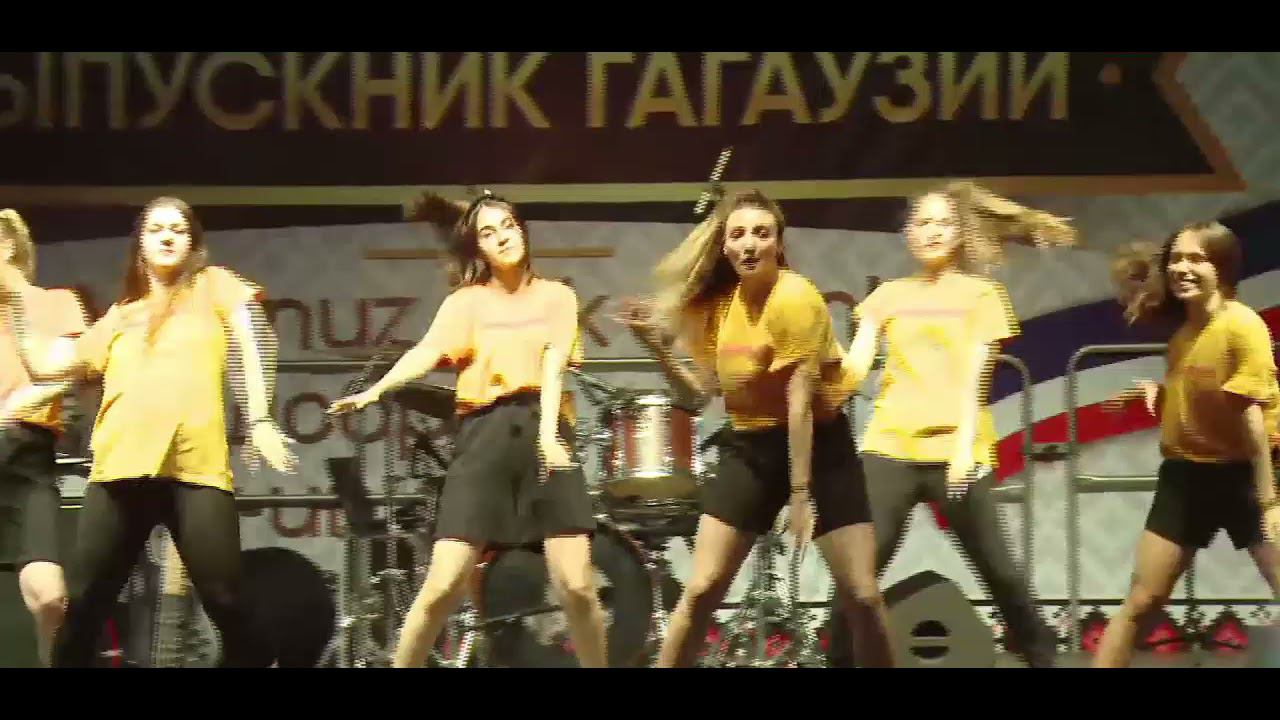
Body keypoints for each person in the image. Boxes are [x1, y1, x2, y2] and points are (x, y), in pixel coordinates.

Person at [2, 196, 295, 667]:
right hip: (118, 472)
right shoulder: (122, 314)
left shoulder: (214, 286)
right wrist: (15, 298)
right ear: (140, 244)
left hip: (194, 470)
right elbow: (48, 366)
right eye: (156, 229)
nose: (167, 236)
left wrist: (259, 417)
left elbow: (251, 338)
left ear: (193, 242)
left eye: (178, 229)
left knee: (225, 597)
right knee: (84, 606)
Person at [328, 191, 608, 668]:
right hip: (484, 436)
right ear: (477, 247)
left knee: (577, 587)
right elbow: (426, 350)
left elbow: (554, 364)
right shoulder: (466, 302)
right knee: (441, 587)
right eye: (488, 233)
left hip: (544, 428)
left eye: (508, 226)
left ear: (522, 229)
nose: (502, 238)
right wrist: (376, 389)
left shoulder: (557, 296)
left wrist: (547, 435)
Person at [619, 189, 895, 668]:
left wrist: (801, 493)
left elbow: (800, 398)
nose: (749, 244)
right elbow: (699, 394)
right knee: (701, 588)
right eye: (739, 234)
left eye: (762, 234)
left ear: (778, 244)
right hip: (750, 447)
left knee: (863, 595)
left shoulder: (796, 297)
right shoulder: (716, 308)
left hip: (818, 446)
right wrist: (656, 348)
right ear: (725, 246)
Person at [830, 181, 1073, 668]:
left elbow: (977, 381)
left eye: (944, 223)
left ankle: (1043, 657)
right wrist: (817, 355)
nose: (933, 232)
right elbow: (853, 370)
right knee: (857, 576)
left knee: (1000, 571)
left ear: (960, 233)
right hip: (890, 446)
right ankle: (838, 662)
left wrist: (964, 447)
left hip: (957, 449)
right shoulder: (888, 296)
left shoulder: (981, 294)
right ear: (908, 234)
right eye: (923, 223)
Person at [1093, 221, 1280, 667]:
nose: (1181, 268)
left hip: (1251, 473)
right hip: (1188, 477)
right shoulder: (1183, 339)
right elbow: (1200, 406)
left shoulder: (1242, 326)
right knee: (1142, 601)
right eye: (1176, 259)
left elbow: (1251, 420)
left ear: (1222, 268)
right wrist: (1158, 395)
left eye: (1196, 258)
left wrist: (1269, 502)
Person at [0, 209, 87, 666]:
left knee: (50, 597)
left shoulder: (54, 303)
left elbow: (66, 371)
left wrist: (11, 407)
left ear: (7, 245)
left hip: (25, 455)